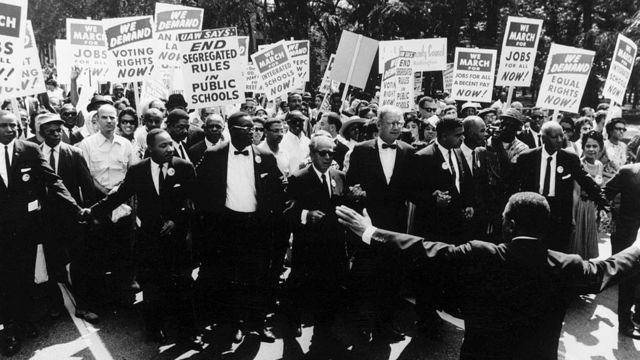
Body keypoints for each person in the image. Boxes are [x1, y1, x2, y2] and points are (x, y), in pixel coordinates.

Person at [335, 191, 640, 360]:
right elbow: (610, 268)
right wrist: (639, 246)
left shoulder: (481, 254)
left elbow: (422, 249)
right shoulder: (566, 265)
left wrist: (371, 233)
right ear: (544, 227)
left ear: (508, 224)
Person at [87, 129, 197, 343]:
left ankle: (189, 333)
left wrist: (176, 221)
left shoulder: (183, 167)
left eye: (170, 144)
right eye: (163, 145)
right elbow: (119, 195)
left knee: (183, 286)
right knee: (153, 288)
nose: (169, 149)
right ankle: (154, 330)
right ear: (150, 148)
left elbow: (193, 201)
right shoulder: (138, 170)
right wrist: (92, 211)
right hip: (150, 241)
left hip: (177, 240)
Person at [194, 112, 286, 354]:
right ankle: (235, 323)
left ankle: (258, 322)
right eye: (246, 128)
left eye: (254, 128)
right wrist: (211, 220)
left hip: (257, 226)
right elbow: (200, 190)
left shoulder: (265, 156)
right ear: (232, 129)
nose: (252, 132)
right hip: (227, 226)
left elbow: (279, 187)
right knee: (230, 277)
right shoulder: (213, 155)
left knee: (258, 275)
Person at [0, 111, 85, 356]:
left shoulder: (29, 150)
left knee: (27, 276)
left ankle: (24, 321)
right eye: (4, 125)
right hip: (1, 231)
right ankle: (9, 330)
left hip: (26, 229)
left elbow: (53, 180)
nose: (11, 129)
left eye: (14, 125)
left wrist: (75, 207)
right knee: (5, 281)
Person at [346, 105, 415, 345]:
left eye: (400, 123)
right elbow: (351, 185)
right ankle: (363, 325)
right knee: (366, 275)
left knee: (391, 276)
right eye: (392, 123)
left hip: (395, 226)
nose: (397, 127)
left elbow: (413, 189)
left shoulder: (408, 151)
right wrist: (355, 193)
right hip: (368, 223)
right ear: (379, 125)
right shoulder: (361, 151)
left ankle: (386, 325)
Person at [284, 135, 349, 358]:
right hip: (308, 247)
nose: (328, 157)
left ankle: (323, 333)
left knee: (330, 291)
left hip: (334, 247)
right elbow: (287, 211)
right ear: (312, 155)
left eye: (332, 153)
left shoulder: (340, 176)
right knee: (300, 287)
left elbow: (345, 206)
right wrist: (305, 214)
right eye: (323, 153)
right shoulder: (298, 178)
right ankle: (291, 323)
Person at [38, 113, 98, 324]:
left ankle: (83, 305)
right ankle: (55, 304)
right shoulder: (34, 154)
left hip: (73, 218)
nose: (56, 134)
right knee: (52, 263)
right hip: (46, 220)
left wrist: (90, 213)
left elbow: (87, 187)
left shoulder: (74, 153)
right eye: (50, 131)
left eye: (58, 130)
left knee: (80, 263)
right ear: (41, 133)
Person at [514, 121, 607, 252]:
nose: (559, 140)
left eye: (561, 136)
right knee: (532, 253)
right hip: (533, 210)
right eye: (554, 137)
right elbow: (514, 183)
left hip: (559, 214)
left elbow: (585, 180)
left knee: (557, 254)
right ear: (543, 138)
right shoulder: (527, 158)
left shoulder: (569, 158)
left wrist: (603, 202)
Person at [77, 104, 135, 305]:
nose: (109, 121)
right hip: (99, 203)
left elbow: (131, 172)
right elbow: (86, 176)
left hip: (123, 204)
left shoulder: (125, 144)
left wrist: (119, 193)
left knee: (123, 250)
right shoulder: (86, 145)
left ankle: (123, 292)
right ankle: (103, 297)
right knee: (100, 251)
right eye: (105, 118)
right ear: (96, 121)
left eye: (112, 117)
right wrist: (107, 194)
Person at [604, 160, 640, 338]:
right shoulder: (628, 172)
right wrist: (610, 214)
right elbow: (605, 192)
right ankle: (625, 324)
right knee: (628, 280)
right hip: (627, 236)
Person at [568, 131, 604, 259]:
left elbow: (599, 186)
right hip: (580, 206)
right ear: (583, 147)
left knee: (587, 244)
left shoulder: (599, 165)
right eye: (588, 146)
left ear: (600, 148)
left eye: (595, 146)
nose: (591, 149)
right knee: (576, 243)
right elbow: (576, 191)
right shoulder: (579, 164)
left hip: (591, 207)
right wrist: (572, 215)